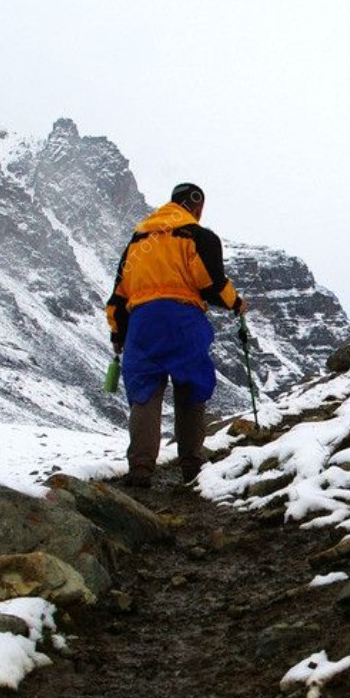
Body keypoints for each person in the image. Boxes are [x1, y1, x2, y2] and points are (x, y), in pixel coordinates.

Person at [106, 182, 248, 488]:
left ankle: (141, 468)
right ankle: (192, 465)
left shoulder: (138, 241)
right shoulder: (197, 235)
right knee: (190, 388)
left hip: (142, 323)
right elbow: (212, 283)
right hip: (183, 319)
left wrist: (118, 334)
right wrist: (236, 304)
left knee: (144, 392)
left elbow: (118, 296)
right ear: (196, 206)